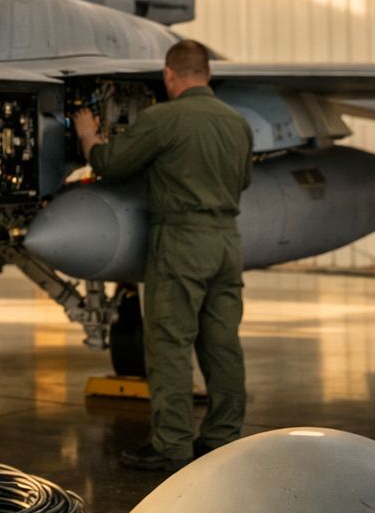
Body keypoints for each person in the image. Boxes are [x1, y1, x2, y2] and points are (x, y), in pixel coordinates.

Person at [72, 39, 252, 472]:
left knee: (170, 343)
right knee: (223, 344)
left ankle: (171, 444)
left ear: (169, 75)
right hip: (226, 241)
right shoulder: (236, 122)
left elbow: (112, 165)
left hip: (181, 242)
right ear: (208, 74)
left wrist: (88, 136)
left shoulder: (163, 119)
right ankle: (223, 438)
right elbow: (243, 180)